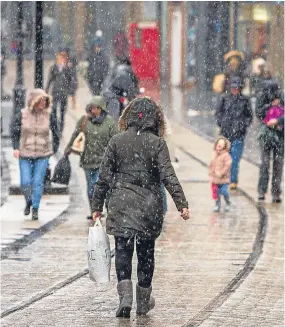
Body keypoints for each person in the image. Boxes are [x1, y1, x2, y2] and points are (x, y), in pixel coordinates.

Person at [91, 97, 190, 318]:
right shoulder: (157, 143)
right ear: (156, 120)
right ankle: (143, 302)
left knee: (123, 251)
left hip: (121, 203)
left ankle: (125, 297)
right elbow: (168, 175)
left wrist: (96, 206)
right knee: (146, 254)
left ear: (129, 117)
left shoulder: (117, 141)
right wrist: (181, 204)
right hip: (148, 207)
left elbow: (104, 177)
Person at [11, 89, 59, 220]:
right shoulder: (22, 114)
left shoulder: (49, 115)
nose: (43, 103)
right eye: (40, 100)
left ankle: (36, 208)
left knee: (38, 182)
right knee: (25, 182)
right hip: (25, 152)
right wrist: (15, 147)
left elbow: (56, 132)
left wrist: (54, 148)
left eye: (45, 101)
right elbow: (15, 131)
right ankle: (29, 201)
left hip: (43, 153)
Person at [65, 96, 116, 219]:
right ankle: (94, 211)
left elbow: (115, 140)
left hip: (102, 162)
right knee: (90, 189)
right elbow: (75, 135)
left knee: (98, 186)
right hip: (87, 160)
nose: (93, 110)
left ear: (101, 109)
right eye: (91, 108)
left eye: (95, 108)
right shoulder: (84, 121)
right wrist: (68, 149)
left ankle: (99, 208)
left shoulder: (109, 123)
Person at [215, 76, 253, 190]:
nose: (235, 90)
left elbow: (249, 116)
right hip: (226, 134)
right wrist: (222, 123)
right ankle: (225, 179)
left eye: (237, 87)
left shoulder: (245, 100)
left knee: (235, 159)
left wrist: (243, 125)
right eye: (233, 87)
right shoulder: (225, 99)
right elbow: (218, 113)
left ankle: (233, 180)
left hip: (238, 134)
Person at [256, 82, 284, 203]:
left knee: (277, 164)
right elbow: (258, 112)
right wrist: (270, 107)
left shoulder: (282, 96)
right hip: (266, 135)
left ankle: (275, 192)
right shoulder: (262, 97)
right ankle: (262, 191)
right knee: (265, 164)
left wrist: (277, 121)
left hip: (280, 135)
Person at [46, 48, 72, 134]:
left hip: (63, 93)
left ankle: (60, 129)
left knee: (62, 112)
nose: (62, 58)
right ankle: (54, 127)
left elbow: (70, 80)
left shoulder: (68, 68)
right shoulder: (54, 67)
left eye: (64, 56)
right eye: (60, 56)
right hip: (55, 92)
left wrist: (70, 91)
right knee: (53, 110)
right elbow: (50, 79)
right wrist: (47, 89)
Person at [209, 137, 232, 212]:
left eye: (221, 145)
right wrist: (211, 175)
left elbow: (227, 166)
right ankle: (217, 204)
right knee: (217, 193)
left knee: (224, 191)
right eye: (218, 145)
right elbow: (211, 165)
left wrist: (221, 173)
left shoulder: (226, 155)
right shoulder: (214, 154)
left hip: (224, 179)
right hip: (215, 179)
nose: (219, 147)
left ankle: (228, 202)